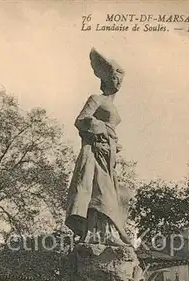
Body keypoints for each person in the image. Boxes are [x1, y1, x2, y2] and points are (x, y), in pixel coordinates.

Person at [65, 48, 131, 246]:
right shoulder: (96, 99)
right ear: (106, 79)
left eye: (120, 79)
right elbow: (82, 120)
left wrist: (114, 143)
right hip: (95, 153)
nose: (117, 82)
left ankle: (108, 233)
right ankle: (100, 235)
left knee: (119, 195)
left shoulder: (113, 105)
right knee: (100, 193)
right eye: (114, 78)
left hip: (108, 156)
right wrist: (103, 130)